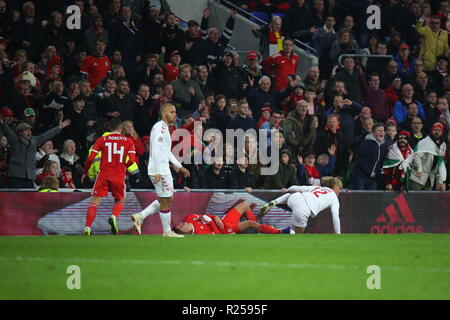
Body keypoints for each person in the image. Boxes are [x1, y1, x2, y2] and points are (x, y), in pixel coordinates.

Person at [131, 103, 190, 237]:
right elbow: (156, 149)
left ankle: (140, 216)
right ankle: (167, 231)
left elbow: (166, 151)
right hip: (160, 170)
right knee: (165, 200)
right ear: (164, 113)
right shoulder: (160, 128)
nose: (175, 115)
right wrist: (157, 170)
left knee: (168, 198)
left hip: (162, 169)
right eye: (172, 112)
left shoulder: (164, 128)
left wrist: (179, 166)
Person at [81, 118, 136, 236]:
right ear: (121, 129)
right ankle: (113, 217)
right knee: (120, 200)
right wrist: (123, 166)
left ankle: (87, 228)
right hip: (119, 176)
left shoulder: (102, 140)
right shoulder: (128, 141)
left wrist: (85, 172)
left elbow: (90, 158)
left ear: (110, 128)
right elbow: (131, 160)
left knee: (94, 202)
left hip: (103, 175)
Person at [0, 114, 70, 188]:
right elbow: (7, 130)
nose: (29, 132)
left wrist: (60, 127)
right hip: (16, 178)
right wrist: (2, 122)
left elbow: (46, 135)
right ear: (20, 132)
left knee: (29, 199)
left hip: (29, 178)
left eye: (30, 130)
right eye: (26, 130)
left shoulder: (34, 141)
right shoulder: (15, 140)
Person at [258, 176, 342, 234]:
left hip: (296, 198)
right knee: (296, 232)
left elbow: (297, 188)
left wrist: (288, 189)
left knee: (292, 195)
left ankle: (275, 202)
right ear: (335, 187)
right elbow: (335, 216)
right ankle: (275, 231)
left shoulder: (318, 188)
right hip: (304, 209)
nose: (340, 190)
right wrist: (338, 234)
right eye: (339, 188)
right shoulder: (334, 197)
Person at [174, 200, 293, 235]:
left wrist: (214, 217)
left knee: (245, 205)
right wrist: (210, 221)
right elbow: (218, 233)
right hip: (227, 230)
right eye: (181, 227)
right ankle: (280, 231)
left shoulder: (189, 218)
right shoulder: (199, 234)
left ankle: (257, 227)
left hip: (224, 220)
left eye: (180, 224)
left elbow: (207, 216)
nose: (182, 224)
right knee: (251, 224)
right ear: (185, 233)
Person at [409, 122, 447, 191]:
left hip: (430, 179)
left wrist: (440, 181)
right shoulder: (424, 142)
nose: (437, 132)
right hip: (418, 177)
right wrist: (419, 169)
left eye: (439, 130)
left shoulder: (443, 145)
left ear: (442, 132)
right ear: (432, 131)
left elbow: (440, 164)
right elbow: (416, 155)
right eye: (435, 130)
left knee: (427, 200)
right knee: (415, 199)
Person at [352, 122, 389, 190]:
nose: (382, 132)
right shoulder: (366, 143)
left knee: (371, 198)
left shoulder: (385, 145)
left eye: (383, 130)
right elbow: (361, 162)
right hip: (361, 176)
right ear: (373, 132)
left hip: (373, 178)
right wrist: (371, 173)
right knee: (359, 197)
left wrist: (378, 173)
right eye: (379, 131)